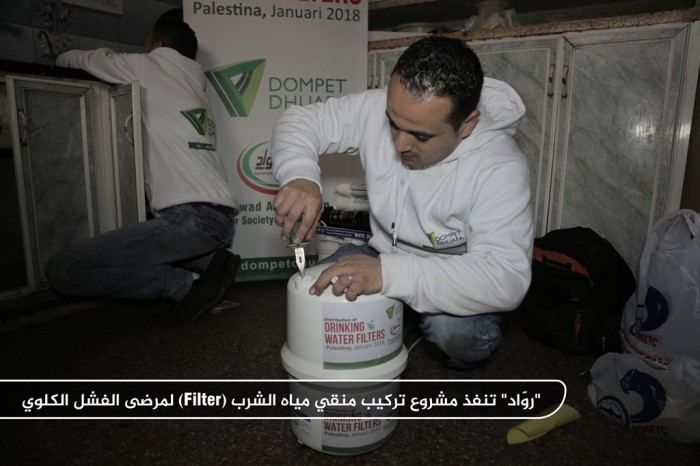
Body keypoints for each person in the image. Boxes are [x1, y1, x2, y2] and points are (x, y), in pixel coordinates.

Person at [271, 36, 533, 370]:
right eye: (392, 123)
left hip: (454, 274)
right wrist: (300, 176)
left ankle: (426, 333)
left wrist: (388, 275)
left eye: (421, 136)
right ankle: (401, 316)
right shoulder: (380, 107)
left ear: (467, 125)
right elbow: (299, 120)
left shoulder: (500, 167)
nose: (398, 145)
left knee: (457, 334)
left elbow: (506, 277)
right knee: (313, 295)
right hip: (383, 255)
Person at [45, 10, 239, 326]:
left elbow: (75, 59)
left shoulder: (149, 66)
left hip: (190, 220)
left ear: (157, 46)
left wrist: (59, 54)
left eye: (145, 44)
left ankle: (185, 287)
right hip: (220, 219)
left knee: (63, 270)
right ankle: (209, 262)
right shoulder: (196, 87)